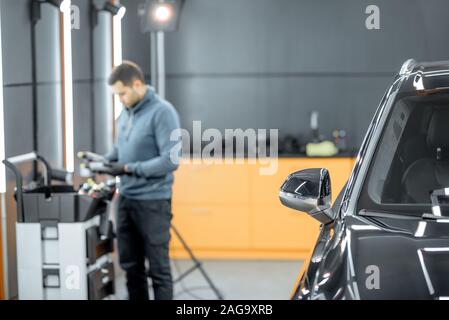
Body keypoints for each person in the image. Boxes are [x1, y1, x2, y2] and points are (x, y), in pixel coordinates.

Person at [102, 60, 181, 300]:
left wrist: (127, 168)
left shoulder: (163, 112)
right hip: (126, 200)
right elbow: (119, 149)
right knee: (130, 267)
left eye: (123, 93)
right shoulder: (125, 113)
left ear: (137, 85)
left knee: (158, 270)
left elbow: (170, 160)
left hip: (153, 203)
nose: (120, 99)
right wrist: (103, 162)